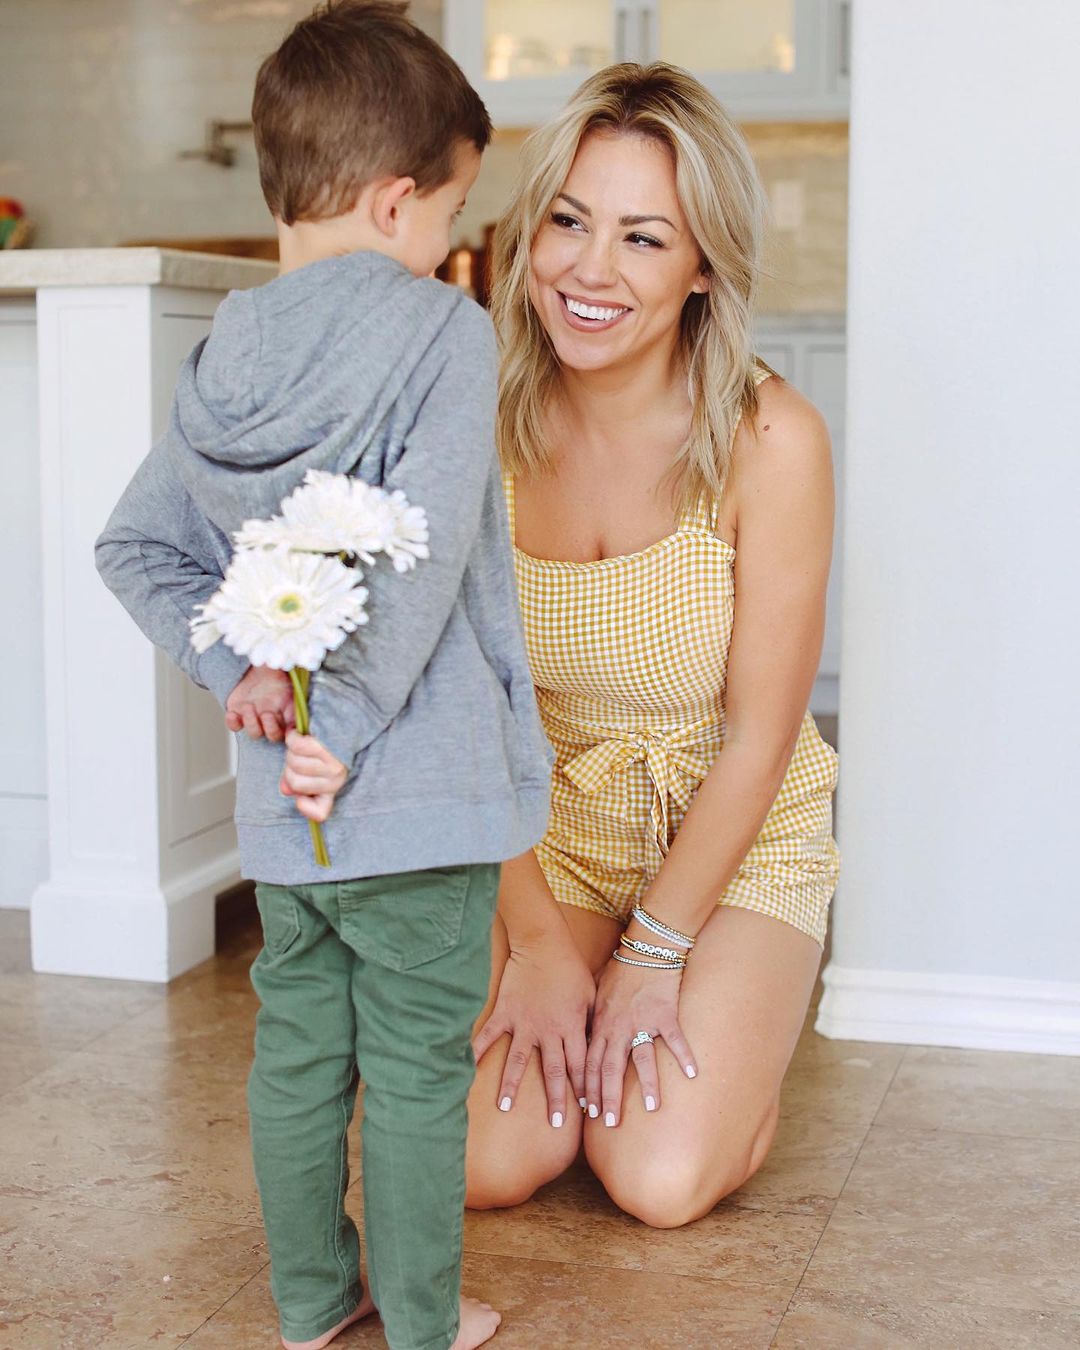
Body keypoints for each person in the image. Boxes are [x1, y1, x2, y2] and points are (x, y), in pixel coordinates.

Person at [95, 3, 553, 1347]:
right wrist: (340, 726)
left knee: (298, 1057)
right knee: (415, 1068)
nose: (454, 243)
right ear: (397, 200)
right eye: (456, 210)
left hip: (283, 819)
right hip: (411, 792)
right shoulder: (442, 333)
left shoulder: (224, 346)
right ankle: (419, 1320)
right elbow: (419, 574)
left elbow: (135, 546)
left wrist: (237, 666)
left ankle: (309, 1302)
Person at [464, 62, 841, 1228]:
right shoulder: (472, 421)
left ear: (702, 269)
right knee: (486, 1164)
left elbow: (763, 735)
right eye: (568, 222)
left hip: (736, 841)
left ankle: (737, 1079)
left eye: (642, 238)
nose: (590, 269)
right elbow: (461, 711)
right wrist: (534, 943)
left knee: (658, 1179)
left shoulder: (771, 438)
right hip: (548, 832)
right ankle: (613, 1065)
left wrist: (655, 950)